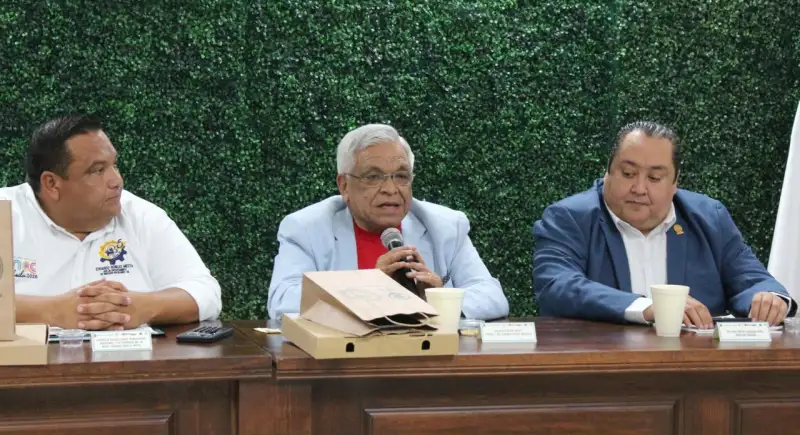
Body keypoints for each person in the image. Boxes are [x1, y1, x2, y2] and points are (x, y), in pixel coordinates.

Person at [533, 120, 795, 328]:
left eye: (655, 178)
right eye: (628, 173)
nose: (639, 188)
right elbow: (557, 285)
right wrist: (648, 307)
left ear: (674, 183)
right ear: (608, 172)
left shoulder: (709, 218)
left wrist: (769, 299)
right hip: (601, 366)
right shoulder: (569, 217)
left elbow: (754, 281)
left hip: (695, 366)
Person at [1, 114, 222, 330]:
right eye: (98, 170)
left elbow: (206, 292)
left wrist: (142, 307)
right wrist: (52, 311)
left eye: (114, 165)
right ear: (51, 184)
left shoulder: (141, 216)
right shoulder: (7, 213)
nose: (117, 181)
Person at [268, 123, 508, 320]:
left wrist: (439, 299)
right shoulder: (306, 228)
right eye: (374, 177)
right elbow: (282, 302)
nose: (391, 189)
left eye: (401, 176)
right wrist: (369, 288)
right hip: (345, 361)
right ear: (344, 186)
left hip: (427, 358)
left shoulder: (445, 226)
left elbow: (492, 296)